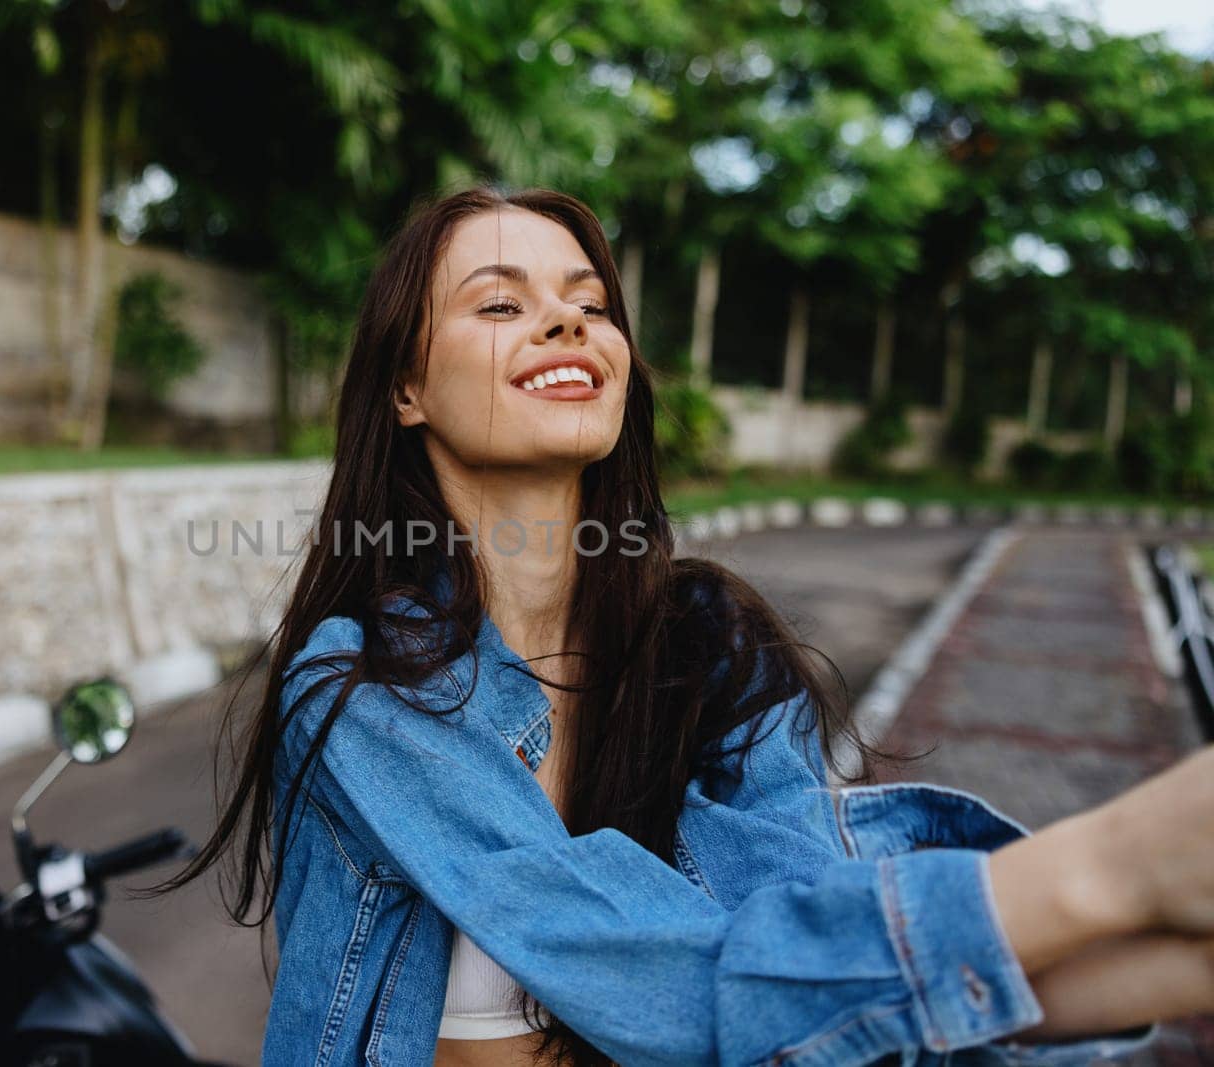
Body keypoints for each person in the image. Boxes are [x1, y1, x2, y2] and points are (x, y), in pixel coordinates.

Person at [145, 185, 1214, 1066]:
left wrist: (1181, 956)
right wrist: (1110, 865)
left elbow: (813, 945)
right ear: (407, 386)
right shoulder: (365, 684)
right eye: (500, 305)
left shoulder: (711, 641)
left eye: (588, 302)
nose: (569, 321)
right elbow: (665, 978)